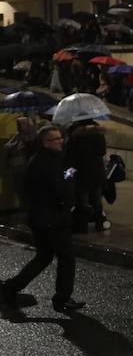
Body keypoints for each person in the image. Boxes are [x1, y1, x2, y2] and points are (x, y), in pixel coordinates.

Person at [1, 125, 85, 313]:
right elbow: (59, 190)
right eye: (56, 139)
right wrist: (70, 174)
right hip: (52, 219)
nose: (61, 141)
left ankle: (10, 288)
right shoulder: (46, 163)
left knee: (43, 257)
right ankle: (62, 298)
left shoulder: (42, 159)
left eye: (60, 137)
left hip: (41, 218)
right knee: (66, 258)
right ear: (45, 142)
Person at [64, 118, 109, 233]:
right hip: (96, 172)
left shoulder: (74, 132)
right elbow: (102, 151)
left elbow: (70, 155)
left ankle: (82, 227)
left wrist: (68, 174)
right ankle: (99, 225)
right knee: (96, 201)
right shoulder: (97, 131)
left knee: (82, 202)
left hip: (81, 172)